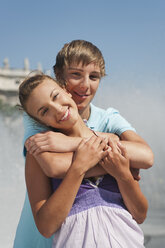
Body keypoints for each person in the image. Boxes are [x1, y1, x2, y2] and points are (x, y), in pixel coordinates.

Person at [14, 40, 153, 248]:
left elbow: (146, 162)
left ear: (64, 91)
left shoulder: (110, 130)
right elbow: (53, 167)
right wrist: (98, 161)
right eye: (76, 74)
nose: (85, 85)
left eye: (94, 77)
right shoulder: (41, 141)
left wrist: (119, 171)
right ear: (61, 79)